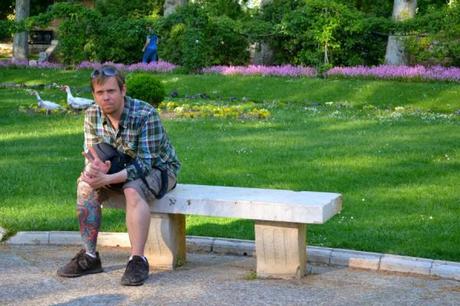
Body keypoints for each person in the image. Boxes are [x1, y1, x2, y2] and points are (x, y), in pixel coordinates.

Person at [57, 65, 180, 286]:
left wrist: (109, 179)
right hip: (115, 167)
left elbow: (145, 164)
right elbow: (93, 153)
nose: (106, 97)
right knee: (85, 186)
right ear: (94, 95)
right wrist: (94, 171)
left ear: (123, 90)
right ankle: (90, 256)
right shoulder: (92, 115)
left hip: (159, 169)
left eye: (111, 91)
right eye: (100, 93)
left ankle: (137, 260)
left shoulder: (145, 114)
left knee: (132, 189)